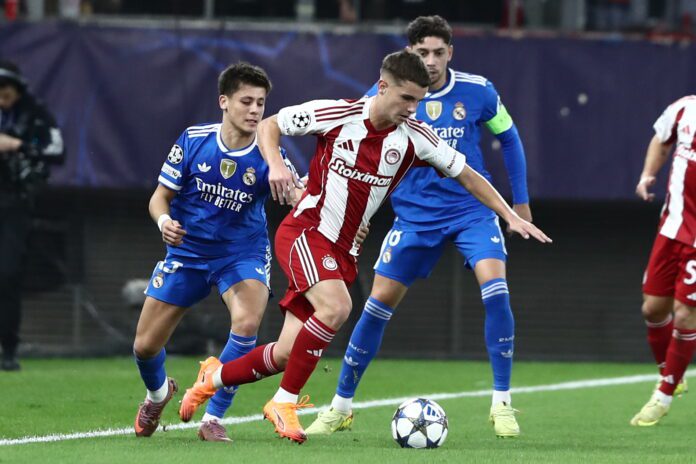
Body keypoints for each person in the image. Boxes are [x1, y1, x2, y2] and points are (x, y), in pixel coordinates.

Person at [178, 49, 551, 444]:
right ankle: (284, 402)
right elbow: (272, 124)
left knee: (287, 352)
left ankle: (211, 379)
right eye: (406, 98)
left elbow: (468, 174)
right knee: (338, 306)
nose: (413, 109)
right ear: (383, 86)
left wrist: (509, 214)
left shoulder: (416, 137)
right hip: (306, 232)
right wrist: (276, 164)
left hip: (343, 251)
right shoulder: (337, 114)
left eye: (419, 101)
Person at [305, 15, 531, 439]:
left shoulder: (479, 91)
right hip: (414, 215)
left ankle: (502, 403)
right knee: (377, 305)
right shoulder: (386, 94)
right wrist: (353, 215)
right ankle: (340, 407)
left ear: (451, 52)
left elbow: (510, 138)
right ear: (409, 53)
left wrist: (519, 204)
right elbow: (354, 151)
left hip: (471, 211)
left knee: (496, 289)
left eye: (438, 52)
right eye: (422, 52)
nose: (431, 60)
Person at [131, 62, 301, 442]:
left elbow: (298, 197)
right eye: (246, 101)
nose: (255, 110)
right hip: (188, 253)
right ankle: (157, 395)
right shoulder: (194, 140)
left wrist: (324, 209)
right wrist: (164, 222)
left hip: (241, 254)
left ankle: (212, 417)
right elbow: (159, 198)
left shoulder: (270, 154)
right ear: (224, 101)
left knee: (246, 323)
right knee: (144, 346)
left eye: (261, 103)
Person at [630, 95, 696, 427]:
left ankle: (664, 394)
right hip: (671, 229)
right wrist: (647, 175)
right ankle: (672, 373)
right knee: (653, 309)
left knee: (685, 313)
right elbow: (661, 138)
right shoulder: (685, 108)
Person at [0, 60, 65, 372]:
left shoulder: (34, 113)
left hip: (15, 202)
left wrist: (18, 145)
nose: (2, 97)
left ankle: (8, 348)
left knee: (8, 273)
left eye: (6, 91)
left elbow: (57, 149)